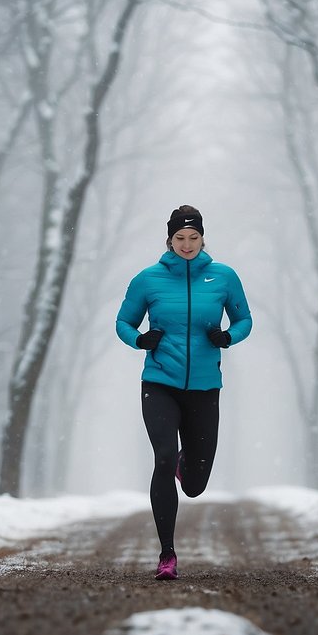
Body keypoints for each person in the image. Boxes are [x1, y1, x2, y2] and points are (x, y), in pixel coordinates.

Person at [115, 205, 253, 580]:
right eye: (180, 238)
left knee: (194, 484)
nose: (187, 244)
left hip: (205, 387)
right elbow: (123, 322)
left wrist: (227, 336)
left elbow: (244, 319)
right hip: (159, 383)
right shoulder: (148, 279)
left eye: (193, 238)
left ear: (203, 238)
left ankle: (183, 465)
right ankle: (167, 554)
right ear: (169, 240)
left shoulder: (224, 277)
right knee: (161, 458)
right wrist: (141, 340)